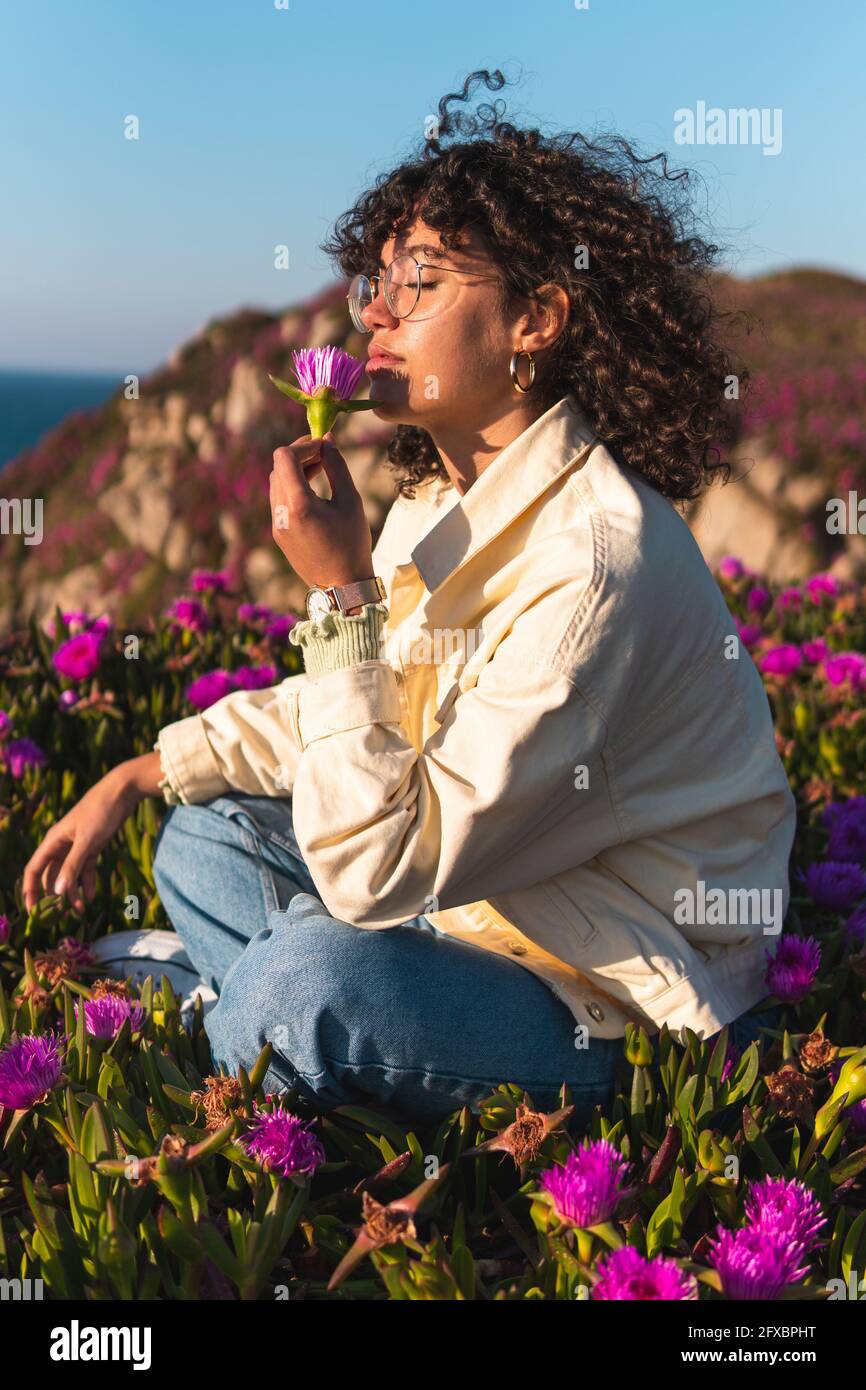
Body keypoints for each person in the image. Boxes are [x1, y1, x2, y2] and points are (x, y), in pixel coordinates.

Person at [21, 71, 793, 1127]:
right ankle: (268, 1022)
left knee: (311, 978)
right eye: (374, 285)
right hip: (479, 904)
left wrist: (339, 594)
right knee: (203, 836)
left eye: (419, 283)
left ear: (535, 318)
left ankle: (235, 1027)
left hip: (613, 995)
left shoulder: (591, 567)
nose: (374, 314)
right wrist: (142, 767)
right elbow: (373, 715)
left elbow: (377, 868)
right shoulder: (441, 497)